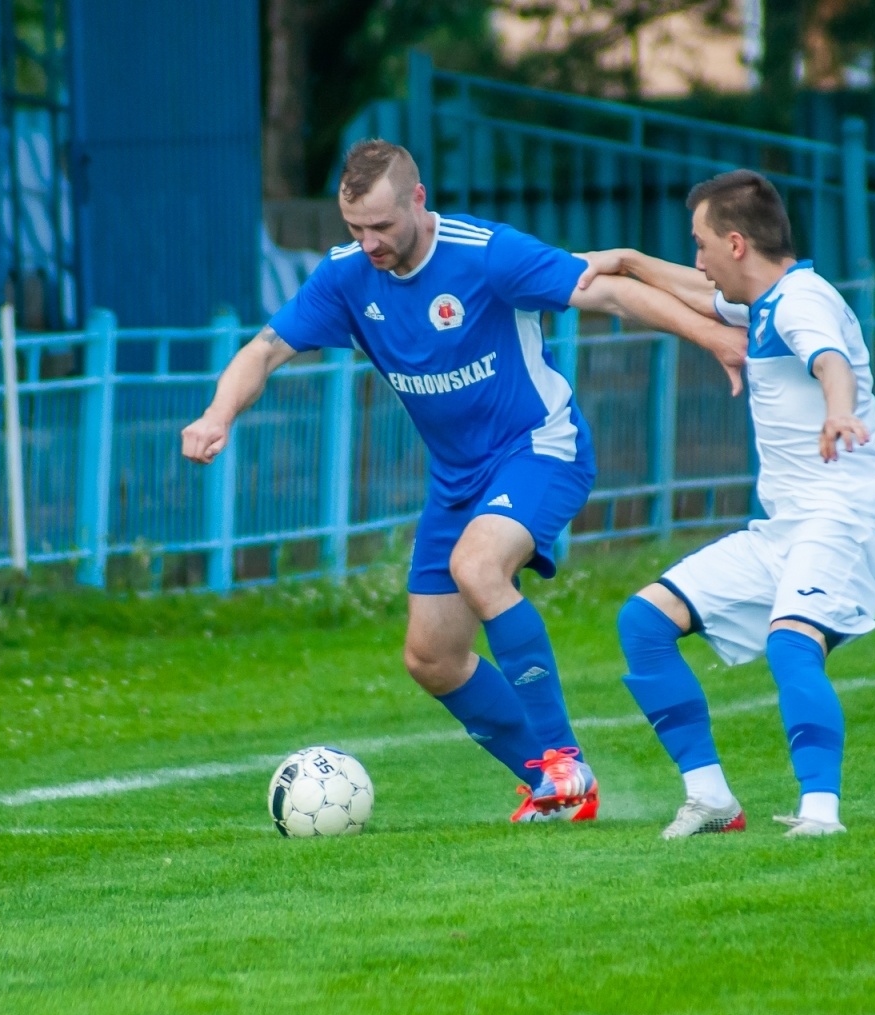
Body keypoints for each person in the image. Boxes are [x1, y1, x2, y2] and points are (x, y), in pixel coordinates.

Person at [182, 140, 745, 824]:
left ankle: (561, 762)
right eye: (355, 229)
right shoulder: (346, 277)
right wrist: (218, 414)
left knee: (477, 567)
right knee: (433, 657)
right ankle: (558, 792)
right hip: (456, 481)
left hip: (539, 448)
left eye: (382, 226)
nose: (369, 244)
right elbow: (266, 349)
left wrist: (713, 338)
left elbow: (612, 293)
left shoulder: (486, 252)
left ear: (419, 201)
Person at [578, 169, 875, 839]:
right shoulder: (766, 301)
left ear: (734, 243)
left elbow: (831, 363)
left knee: (792, 645)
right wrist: (629, 263)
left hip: (844, 517)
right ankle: (711, 800)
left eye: (700, 244)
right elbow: (699, 293)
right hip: (785, 529)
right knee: (644, 623)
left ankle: (821, 815)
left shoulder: (802, 301)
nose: (697, 261)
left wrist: (839, 411)